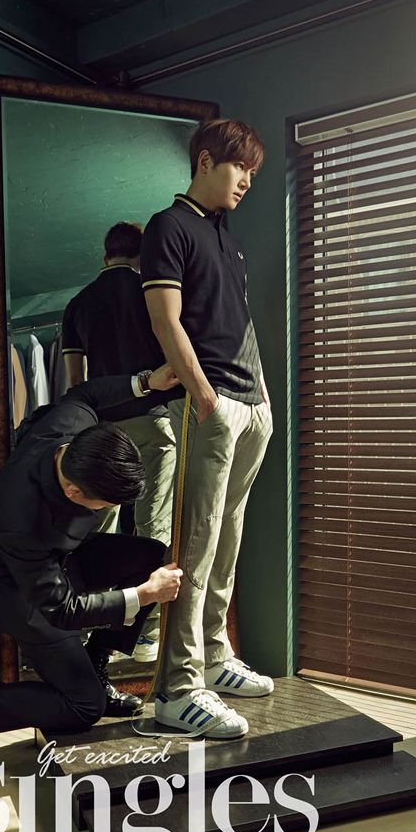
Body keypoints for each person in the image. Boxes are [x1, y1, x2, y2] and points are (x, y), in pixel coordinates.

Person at [0, 366, 183, 765]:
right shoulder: (19, 519)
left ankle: (96, 665)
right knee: (84, 707)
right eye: (107, 504)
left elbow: (85, 395)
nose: (111, 509)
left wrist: (147, 382)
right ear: (75, 491)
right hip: (25, 595)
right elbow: (60, 609)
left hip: (68, 557)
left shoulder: (69, 425)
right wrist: (144, 595)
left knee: (149, 556)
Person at [141, 118, 274, 740]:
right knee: (194, 547)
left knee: (228, 541)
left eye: (252, 172)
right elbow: (166, 321)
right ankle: (177, 689)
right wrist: (204, 398)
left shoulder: (226, 237)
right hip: (212, 406)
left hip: (251, 404)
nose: (246, 180)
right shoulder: (168, 227)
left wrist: (261, 397)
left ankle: (216, 658)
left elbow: (236, 320)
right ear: (204, 161)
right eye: (239, 167)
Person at [61, 221, 176, 662]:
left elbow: (76, 384)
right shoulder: (151, 293)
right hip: (152, 421)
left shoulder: (78, 304)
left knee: (98, 527)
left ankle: (91, 620)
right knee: (153, 527)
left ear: (104, 256)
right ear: (142, 257)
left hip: (104, 430)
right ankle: (145, 633)